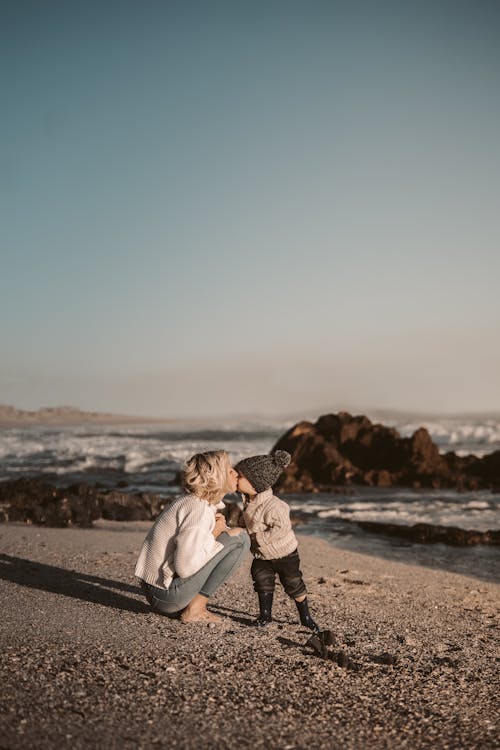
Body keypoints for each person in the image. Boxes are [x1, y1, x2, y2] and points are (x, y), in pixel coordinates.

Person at [135, 450, 250, 624]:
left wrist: (217, 533)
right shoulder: (198, 509)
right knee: (240, 539)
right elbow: (185, 567)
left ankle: (192, 606)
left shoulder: (196, 503)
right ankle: (195, 609)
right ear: (215, 476)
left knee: (231, 536)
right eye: (229, 470)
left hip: (159, 589)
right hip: (166, 594)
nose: (235, 473)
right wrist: (215, 533)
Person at [235, 450, 320, 632]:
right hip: (262, 554)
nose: (235, 477)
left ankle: (305, 616)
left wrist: (255, 537)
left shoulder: (275, 506)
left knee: (293, 583)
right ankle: (265, 615)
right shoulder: (249, 501)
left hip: (285, 554)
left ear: (255, 483)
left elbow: (280, 529)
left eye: (240, 476)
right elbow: (249, 520)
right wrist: (241, 525)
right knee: (261, 579)